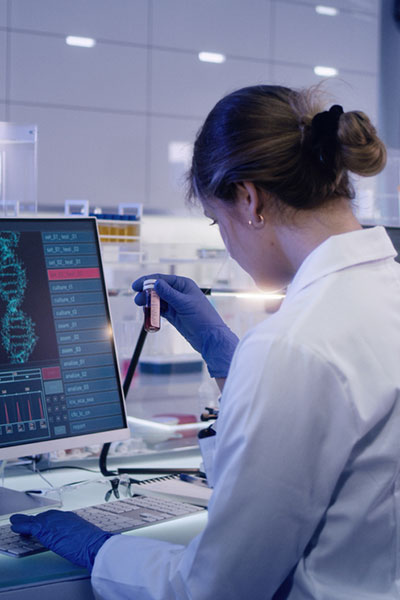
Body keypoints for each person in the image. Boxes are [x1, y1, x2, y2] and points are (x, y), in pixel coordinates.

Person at [11, 84, 400, 599]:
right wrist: (229, 360)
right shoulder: (382, 294)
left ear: (248, 198)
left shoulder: (294, 343)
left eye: (216, 221)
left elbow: (214, 589)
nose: (226, 242)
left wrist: (99, 549)